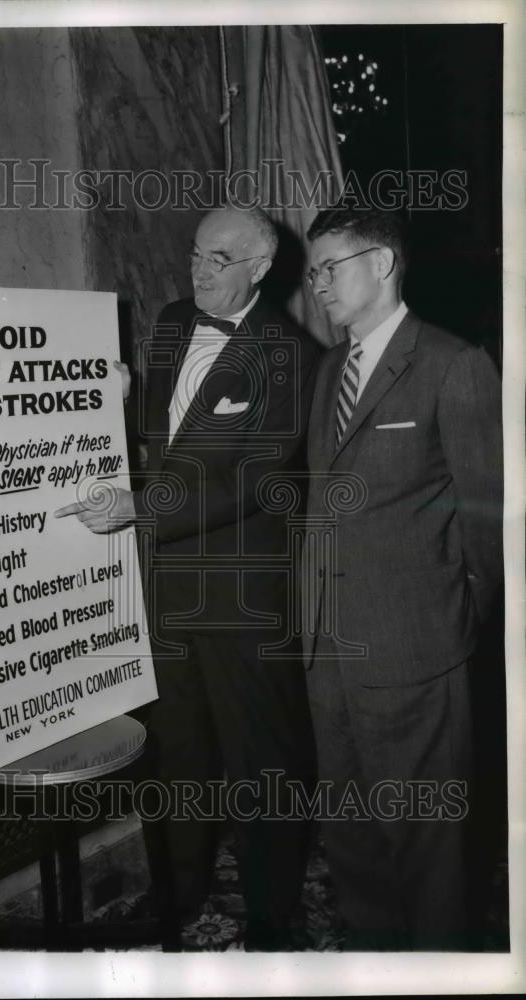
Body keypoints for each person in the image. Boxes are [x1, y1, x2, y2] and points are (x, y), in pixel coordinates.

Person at [56, 205, 320, 949]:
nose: (198, 271)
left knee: (260, 754)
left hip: (242, 590)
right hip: (167, 584)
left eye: (219, 260)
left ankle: (271, 912)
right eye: (196, 254)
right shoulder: (174, 320)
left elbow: (258, 480)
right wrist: (115, 398)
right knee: (175, 749)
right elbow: (159, 430)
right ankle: (177, 894)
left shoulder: (290, 354)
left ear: (260, 270)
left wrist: (142, 509)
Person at [302, 207, 503, 950]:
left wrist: (447, 625)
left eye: (330, 267)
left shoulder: (453, 365)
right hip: (329, 654)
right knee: (351, 837)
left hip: (416, 652)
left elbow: (489, 528)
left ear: (381, 265)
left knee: (427, 846)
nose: (316, 283)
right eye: (312, 270)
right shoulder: (330, 371)